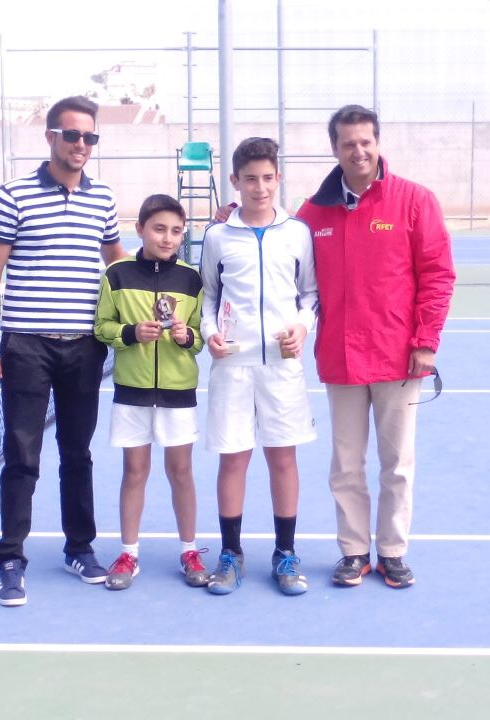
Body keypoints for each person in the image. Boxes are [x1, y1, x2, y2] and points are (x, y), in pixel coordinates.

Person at [295, 105, 455, 589]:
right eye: (348, 143)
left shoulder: (414, 200)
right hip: (340, 357)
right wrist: (232, 218)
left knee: (397, 464)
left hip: (398, 355)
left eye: (366, 141)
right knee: (346, 465)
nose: (358, 151)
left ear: (378, 142)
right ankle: (353, 552)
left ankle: (392, 551)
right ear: (335, 148)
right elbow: (281, 254)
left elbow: (438, 275)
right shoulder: (312, 213)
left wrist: (425, 342)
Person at [0, 95, 128, 607]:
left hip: (85, 348)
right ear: (50, 137)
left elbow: (117, 261)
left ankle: (79, 548)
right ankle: (11, 560)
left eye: (89, 136)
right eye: (72, 135)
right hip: (26, 346)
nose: (81, 144)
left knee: (77, 453)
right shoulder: (13, 195)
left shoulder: (102, 199)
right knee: (22, 456)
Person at [199, 136, 319, 596]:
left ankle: (285, 554)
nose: (260, 187)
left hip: (283, 368)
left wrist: (302, 328)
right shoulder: (217, 236)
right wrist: (209, 332)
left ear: (278, 178)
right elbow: (209, 297)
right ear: (235, 181)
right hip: (232, 366)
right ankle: (231, 554)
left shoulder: (298, 233)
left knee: (283, 459)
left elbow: (310, 294)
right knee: (233, 459)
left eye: (268, 178)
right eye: (250, 179)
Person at [93, 194, 211, 591]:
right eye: (159, 229)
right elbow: (101, 326)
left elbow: (199, 339)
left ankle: (189, 550)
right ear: (140, 229)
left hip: (178, 391)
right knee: (134, 471)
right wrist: (130, 333)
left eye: (176, 231)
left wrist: (186, 335)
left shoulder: (192, 280)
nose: (167, 238)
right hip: (132, 391)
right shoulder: (117, 274)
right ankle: (128, 553)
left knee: (181, 472)